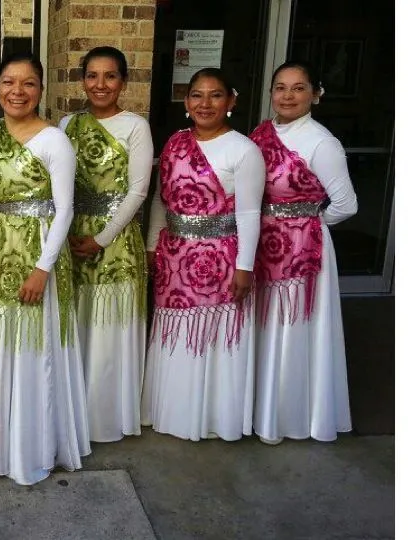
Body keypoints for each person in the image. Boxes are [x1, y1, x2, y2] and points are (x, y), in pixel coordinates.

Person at [0, 53, 91, 485]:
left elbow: (65, 210)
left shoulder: (53, 140)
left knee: (34, 344)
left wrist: (43, 268)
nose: (16, 92)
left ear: (41, 90)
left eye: (28, 84)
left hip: (38, 250)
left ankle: (32, 445)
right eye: (8, 82)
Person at [141, 68, 265, 442]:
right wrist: (151, 246)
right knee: (174, 331)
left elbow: (248, 214)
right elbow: (162, 202)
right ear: (186, 101)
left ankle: (211, 417)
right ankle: (170, 411)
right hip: (174, 255)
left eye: (215, 95)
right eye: (197, 95)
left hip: (220, 260)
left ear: (231, 101)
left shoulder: (244, 150)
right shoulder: (176, 143)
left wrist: (244, 267)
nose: (205, 103)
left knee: (213, 334)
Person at [249, 61, 357, 444]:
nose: (288, 96)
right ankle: (254, 406)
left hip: (302, 250)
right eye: (281, 87)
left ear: (315, 93)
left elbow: (346, 204)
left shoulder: (320, 141)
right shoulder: (261, 133)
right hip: (260, 242)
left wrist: (305, 220)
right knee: (261, 322)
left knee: (290, 327)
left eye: (298, 88)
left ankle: (285, 417)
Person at [58, 46, 152, 443]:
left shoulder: (135, 126)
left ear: (123, 82)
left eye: (110, 76)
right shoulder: (66, 125)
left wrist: (102, 237)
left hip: (115, 238)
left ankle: (106, 417)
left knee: (108, 327)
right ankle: (73, 412)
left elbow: (138, 191)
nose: (100, 84)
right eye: (92, 76)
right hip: (71, 231)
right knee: (77, 320)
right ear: (83, 80)